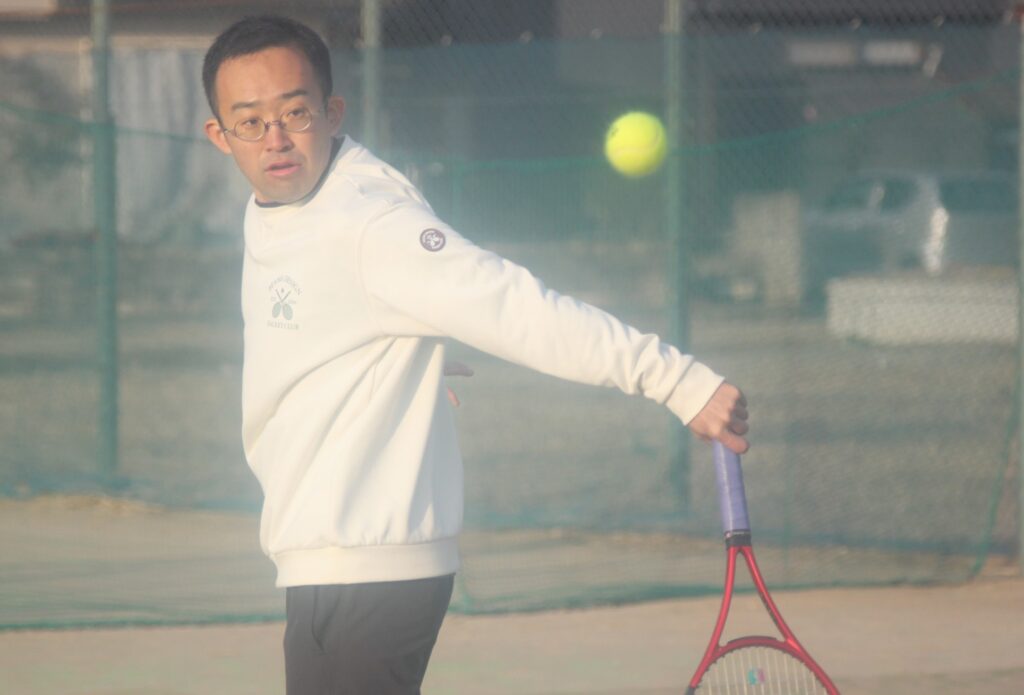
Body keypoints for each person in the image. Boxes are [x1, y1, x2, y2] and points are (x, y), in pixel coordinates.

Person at [202, 14, 749, 695]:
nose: (276, 138)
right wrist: (399, 358)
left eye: (295, 112)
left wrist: (676, 379)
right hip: (316, 556)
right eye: (251, 122)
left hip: (376, 561)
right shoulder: (275, 209)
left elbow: (518, 308)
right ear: (220, 136)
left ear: (332, 111)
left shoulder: (371, 223)